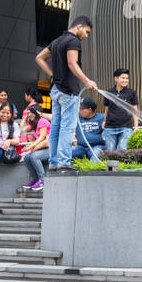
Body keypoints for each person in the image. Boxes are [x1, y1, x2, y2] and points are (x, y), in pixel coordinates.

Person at [35, 15, 96, 173]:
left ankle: (54, 162)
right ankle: (63, 161)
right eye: (87, 32)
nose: (86, 35)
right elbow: (72, 63)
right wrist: (87, 80)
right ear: (79, 26)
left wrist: (52, 75)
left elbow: (39, 58)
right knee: (68, 128)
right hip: (68, 90)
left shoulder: (56, 41)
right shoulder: (73, 41)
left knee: (55, 126)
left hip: (55, 90)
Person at [102, 67, 139, 150]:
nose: (125, 80)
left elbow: (135, 110)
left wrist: (136, 127)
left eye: (127, 78)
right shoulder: (109, 92)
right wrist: (104, 121)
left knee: (123, 150)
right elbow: (106, 109)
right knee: (110, 152)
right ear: (116, 78)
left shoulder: (131, 93)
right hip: (110, 127)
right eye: (123, 78)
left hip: (126, 127)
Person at [19, 105, 51, 190]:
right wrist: (24, 119)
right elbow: (22, 129)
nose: (28, 115)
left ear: (36, 113)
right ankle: (35, 179)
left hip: (50, 149)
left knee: (33, 156)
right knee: (26, 158)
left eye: (30, 113)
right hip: (43, 148)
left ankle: (42, 180)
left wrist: (33, 145)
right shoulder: (35, 123)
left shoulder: (42, 121)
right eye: (27, 113)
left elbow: (42, 137)